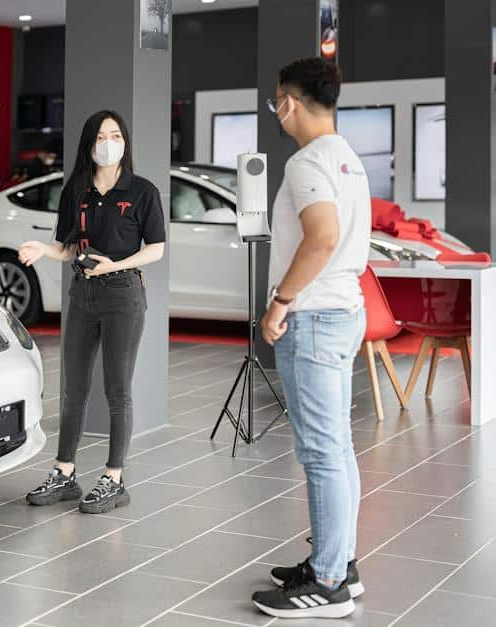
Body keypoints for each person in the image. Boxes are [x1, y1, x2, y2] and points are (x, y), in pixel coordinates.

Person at [251, 58, 370, 619]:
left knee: (321, 452)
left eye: (277, 100)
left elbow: (321, 238)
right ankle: (339, 562)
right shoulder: (347, 158)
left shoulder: (306, 162)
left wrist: (279, 303)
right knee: (337, 447)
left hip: (315, 317)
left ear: (289, 102)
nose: (277, 110)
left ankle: (326, 585)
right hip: (344, 312)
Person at [17, 111, 165, 514]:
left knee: (117, 390)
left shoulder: (142, 191)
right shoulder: (77, 190)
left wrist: (113, 266)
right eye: (102, 135)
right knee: (74, 389)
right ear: (89, 144)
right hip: (82, 296)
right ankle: (64, 473)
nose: (109, 142)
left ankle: (114, 478)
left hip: (122, 296)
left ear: (125, 143)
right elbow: (68, 247)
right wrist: (42, 249)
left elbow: (156, 249)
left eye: (116, 135)